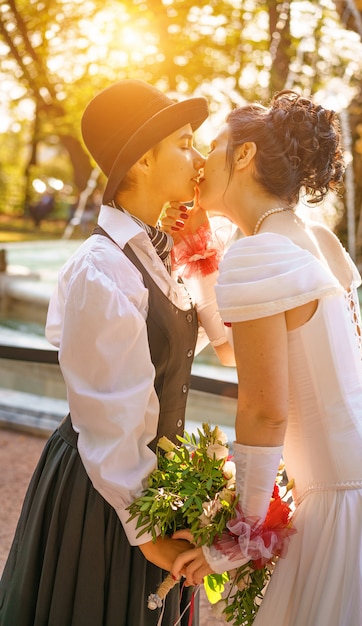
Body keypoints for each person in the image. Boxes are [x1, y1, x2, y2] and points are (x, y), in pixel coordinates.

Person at [170, 90, 362, 625]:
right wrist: (202, 255)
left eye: (213, 147)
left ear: (243, 155)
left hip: (346, 508)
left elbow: (265, 412)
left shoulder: (258, 252)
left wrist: (239, 536)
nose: (200, 163)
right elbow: (241, 353)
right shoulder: (314, 237)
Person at [0, 79, 234, 626]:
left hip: (144, 486)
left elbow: (224, 343)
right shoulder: (100, 270)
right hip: (106, 496)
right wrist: (151, 537)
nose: (198, 159)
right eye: (183, 144)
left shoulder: (158, 254)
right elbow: (108, 423)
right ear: (143, 161)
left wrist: (199, 242)